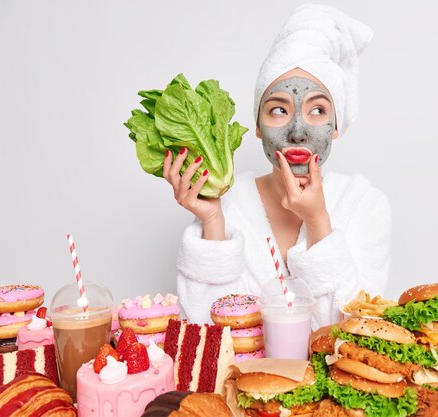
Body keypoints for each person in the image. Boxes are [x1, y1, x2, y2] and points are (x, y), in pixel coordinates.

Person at [163, 4, 391, 328]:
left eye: (317, 110)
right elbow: (208, 331)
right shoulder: (228, 203)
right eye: (279, 111)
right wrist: (213, 220)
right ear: (257, 125)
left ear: (337, 126)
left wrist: (317, 222)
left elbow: (353, 333)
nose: (298, 132)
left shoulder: (365, 205)